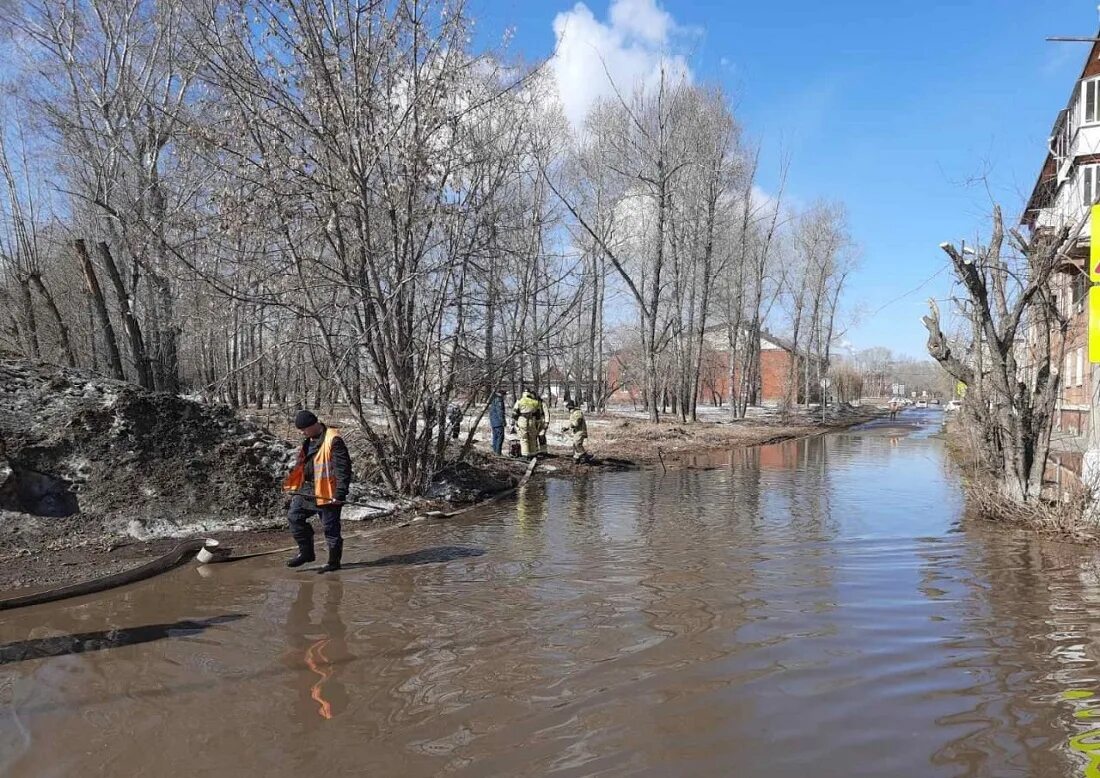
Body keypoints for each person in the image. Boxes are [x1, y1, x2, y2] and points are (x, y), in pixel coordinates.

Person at [282, 410, 353, 573]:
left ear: (314, 425)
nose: (302, 433)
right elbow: (302, 466)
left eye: (304, 429)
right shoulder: (308, 441)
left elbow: (343, 469)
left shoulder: (333, 440)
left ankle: (333, 562)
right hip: (307, 490)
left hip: (328, 492)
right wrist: (293, 486)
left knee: (330, 529)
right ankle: (306, 552)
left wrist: (340, 494)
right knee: (294, 517)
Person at [511, 387, 543, 457]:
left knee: (524, 438)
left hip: (522, 419)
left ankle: (525, 454)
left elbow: (515, 412)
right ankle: (533, 454)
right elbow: (538, 414)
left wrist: (514, 421)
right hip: (532, 419)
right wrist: (538, 423)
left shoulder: (520, 400)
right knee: (532, 437)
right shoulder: (535, 402)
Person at [488, 388, 507, 455]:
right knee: (500, 437)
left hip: (493, 421)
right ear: (503, 395)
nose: (505, 397)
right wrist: (503, 421)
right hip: (498, 422)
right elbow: (500, 412)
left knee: (495, 436)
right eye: (505, 396)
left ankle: (495, 451)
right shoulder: (499, 400)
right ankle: (498, 452)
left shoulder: (493, 399)